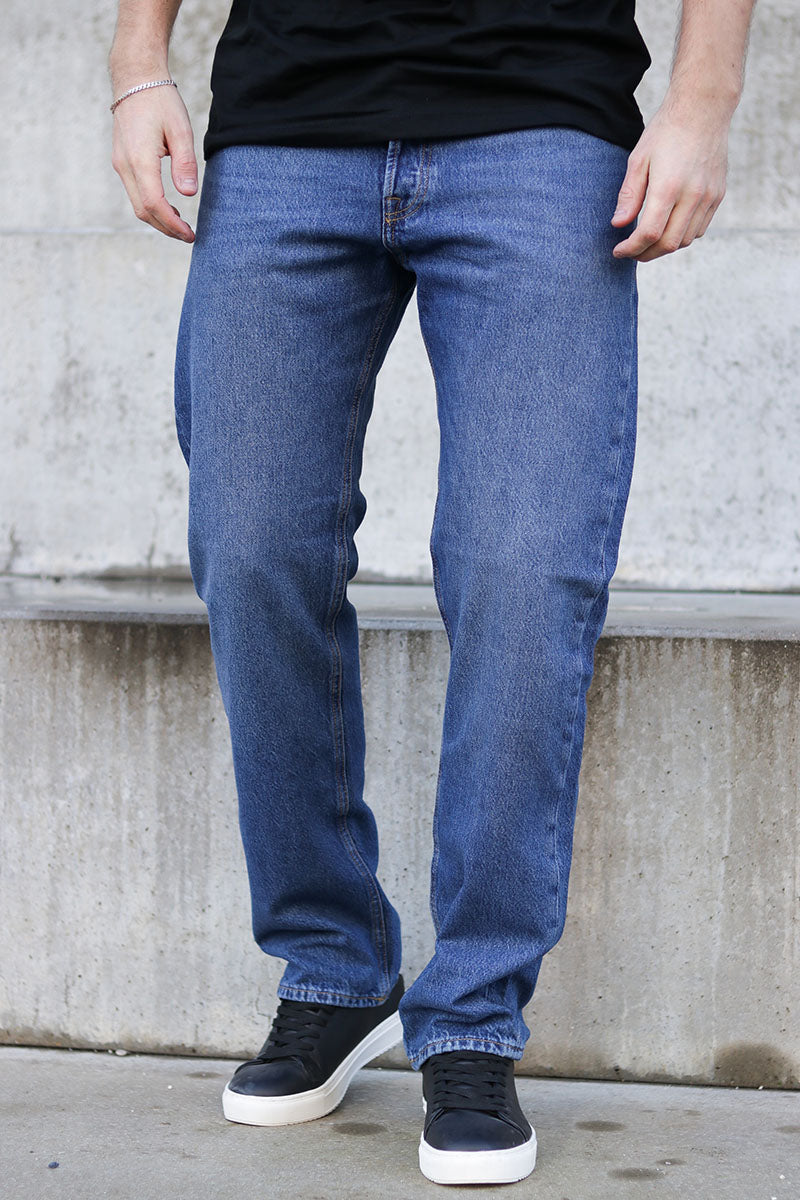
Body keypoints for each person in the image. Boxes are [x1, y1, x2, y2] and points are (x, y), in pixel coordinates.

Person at [109, 0, 755, 1186]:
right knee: (252, 549)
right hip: (287, 120)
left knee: (522, 569)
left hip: (538, 118)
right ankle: (333, 966)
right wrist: (136, 64)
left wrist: (701, 102)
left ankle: (470, 1019)